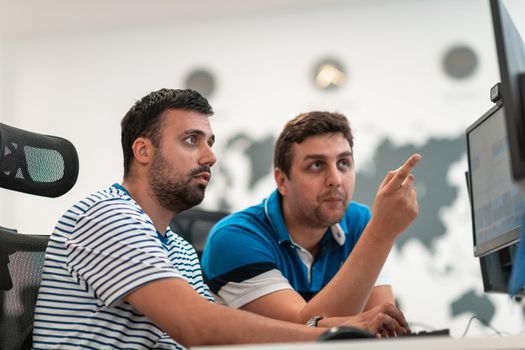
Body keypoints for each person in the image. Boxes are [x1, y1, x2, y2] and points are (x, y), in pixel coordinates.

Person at [32, 90, 411, 349]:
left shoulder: (176, 247)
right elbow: (197, 327)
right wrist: (327, 336)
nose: (210, 157)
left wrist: (341, 327)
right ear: (143, 151)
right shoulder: (107, 215)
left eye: (209, 143)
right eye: (191, 140)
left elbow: (217, 326)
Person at [201, 111, 421, 329]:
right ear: (282, 180)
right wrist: (381, 233)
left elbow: (382, 328)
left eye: (343, 163)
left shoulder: (360, 221)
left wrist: (377, 231)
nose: (335, 180)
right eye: (316, 165)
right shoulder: (234, 238)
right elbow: (300, 332)